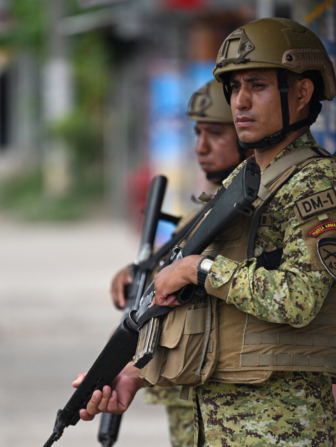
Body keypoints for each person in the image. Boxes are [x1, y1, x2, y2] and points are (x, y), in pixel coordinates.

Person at [75, 18, 336, 447]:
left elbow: (298, 299)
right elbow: (213, 317)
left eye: (257, 86)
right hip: (215, 426)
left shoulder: (321, 183)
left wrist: (198, 269)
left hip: (279, 430)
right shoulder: (248, 178)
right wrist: (136, 375)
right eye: (234, 88)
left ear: (303, 92)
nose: (241, 102)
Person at [109, 79, 248, 447]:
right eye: (198, 133)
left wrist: (188, 271)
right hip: (188, 388)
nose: (201, 147)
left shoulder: (247, 214)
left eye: (216, 134)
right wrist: (140, 276)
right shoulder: (209, 208)